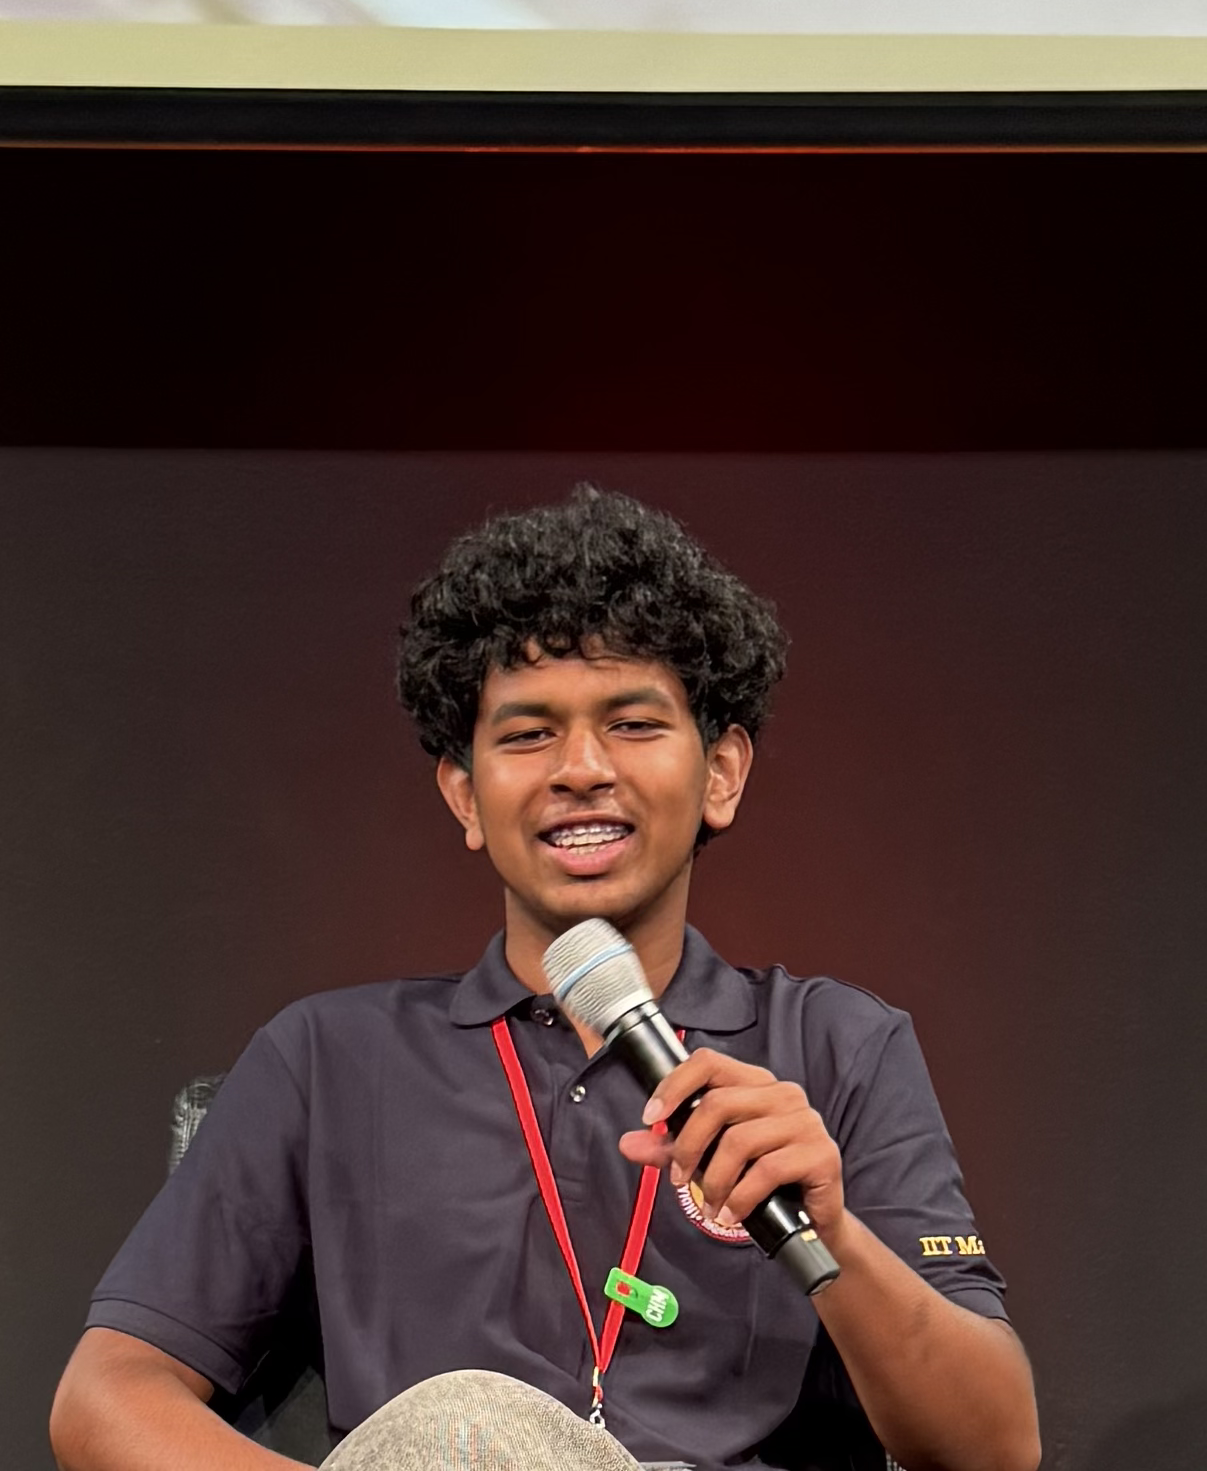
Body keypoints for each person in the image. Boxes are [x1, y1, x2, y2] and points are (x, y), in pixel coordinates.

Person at [50, 486, 1040, 1471]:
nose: (579, 768)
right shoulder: (326, 1058)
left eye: (633, 723)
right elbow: (107, 1394)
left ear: (721, 774)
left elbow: (994, 1445)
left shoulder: (835, 1048)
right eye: (527, 734)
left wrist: (833, 1238)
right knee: (462, 1422)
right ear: (464, 795)